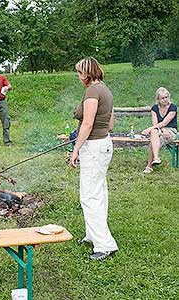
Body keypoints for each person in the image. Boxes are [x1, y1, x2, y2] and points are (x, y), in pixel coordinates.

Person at [70, 57, 118, 261]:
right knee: (99, 193)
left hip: (94, 148)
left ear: (87, 73)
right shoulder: (105, 89)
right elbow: (110, 125)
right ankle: (93, 235)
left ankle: (105, 245)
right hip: (104, 144)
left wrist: (76, 150)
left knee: (89, 196)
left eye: (80, 73)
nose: (79, 77)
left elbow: (87, 124)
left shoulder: (92, 91)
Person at [141, 87, 177, 174]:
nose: (165, 100)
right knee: (154, 132)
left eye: (166, 97)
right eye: (162, 98)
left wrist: (149, 129)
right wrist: (161, 129)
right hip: (159, 130)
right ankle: (156, 158)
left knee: (153, 141)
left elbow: (165, 122)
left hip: (171, 131)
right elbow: (155, 124)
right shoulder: (154, 108)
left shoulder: (173, 107)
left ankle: (149, 166)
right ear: (158, 99)